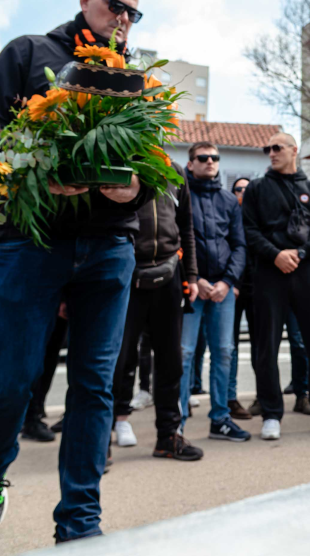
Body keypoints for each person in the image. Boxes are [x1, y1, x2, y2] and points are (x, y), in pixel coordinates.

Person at [0, 0, 151, 542]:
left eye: (133, 13)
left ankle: (79, 522)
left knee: (95, 385)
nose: (121, 19)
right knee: (12, 379)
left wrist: (133, 189)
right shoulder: (28, 52)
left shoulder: (135, 78)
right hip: (34, 239)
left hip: (110, 245)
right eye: (114, 5)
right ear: (84, 0)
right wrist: (39, 167)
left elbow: (147, 164)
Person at [241, 132, 310, 440]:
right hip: (269, 273)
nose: (271, 153)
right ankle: (271, 414)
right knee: (266, 346)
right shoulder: (257, 188)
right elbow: (249, 231)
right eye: (268, 148)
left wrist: (299, 253)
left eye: (277, 147)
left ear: (293, 150)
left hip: (306, 272)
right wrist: (276, 255)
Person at [112, 158, 201, 460]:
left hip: (169, 275)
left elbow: (186, 225)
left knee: (171, 361)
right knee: (119, 361)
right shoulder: (118, 165)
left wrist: (191, 275)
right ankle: (107, 433)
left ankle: (168, 436)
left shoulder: (174, 171)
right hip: (126, 276)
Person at [181, 142, 249, 442]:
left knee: (223, 352)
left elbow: (239, 245)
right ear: (190, 163)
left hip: (223, 289)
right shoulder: (179, 195)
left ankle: (220, 419)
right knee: (183, 354)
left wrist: (227, 282)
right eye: (203, 158)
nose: (210, 162)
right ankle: (176, 422)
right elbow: (178, 241)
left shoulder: (228, 200)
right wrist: (195, 279)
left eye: (215, 158)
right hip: (191, 289)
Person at [227, 178, 253, 421]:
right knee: (229, 346)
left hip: (256, 289)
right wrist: (232, 282)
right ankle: (229, 398)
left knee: (261, 346)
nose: (243, 193)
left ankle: (263, 397)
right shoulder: (228, 213)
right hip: (233, 287)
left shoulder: (259, 214)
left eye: (247, 189)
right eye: (238, 189)